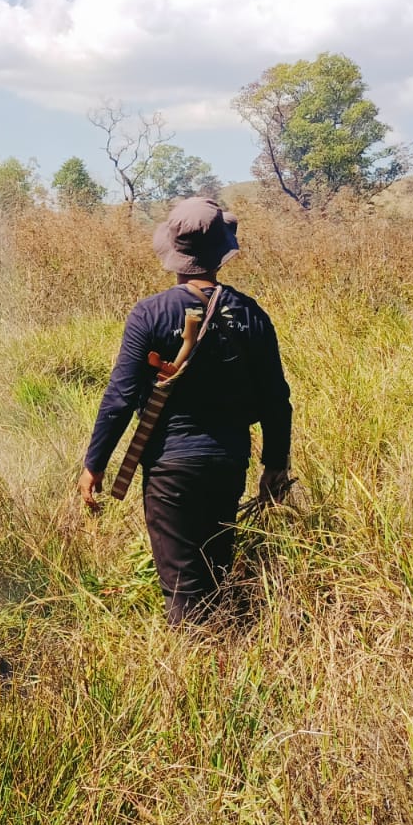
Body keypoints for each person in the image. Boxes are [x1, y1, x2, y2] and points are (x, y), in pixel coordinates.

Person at [79, 198, 292, 624]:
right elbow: (276, 398)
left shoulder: (150, 313)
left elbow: (120, 397)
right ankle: (225, 648)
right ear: (221, 252)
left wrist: (94, 465)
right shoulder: (251, 314)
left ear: (174, 252)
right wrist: (274, 465)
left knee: (182, 589)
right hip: (229, 462)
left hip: (170, 467)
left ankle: (196, 658)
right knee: (215, 575)